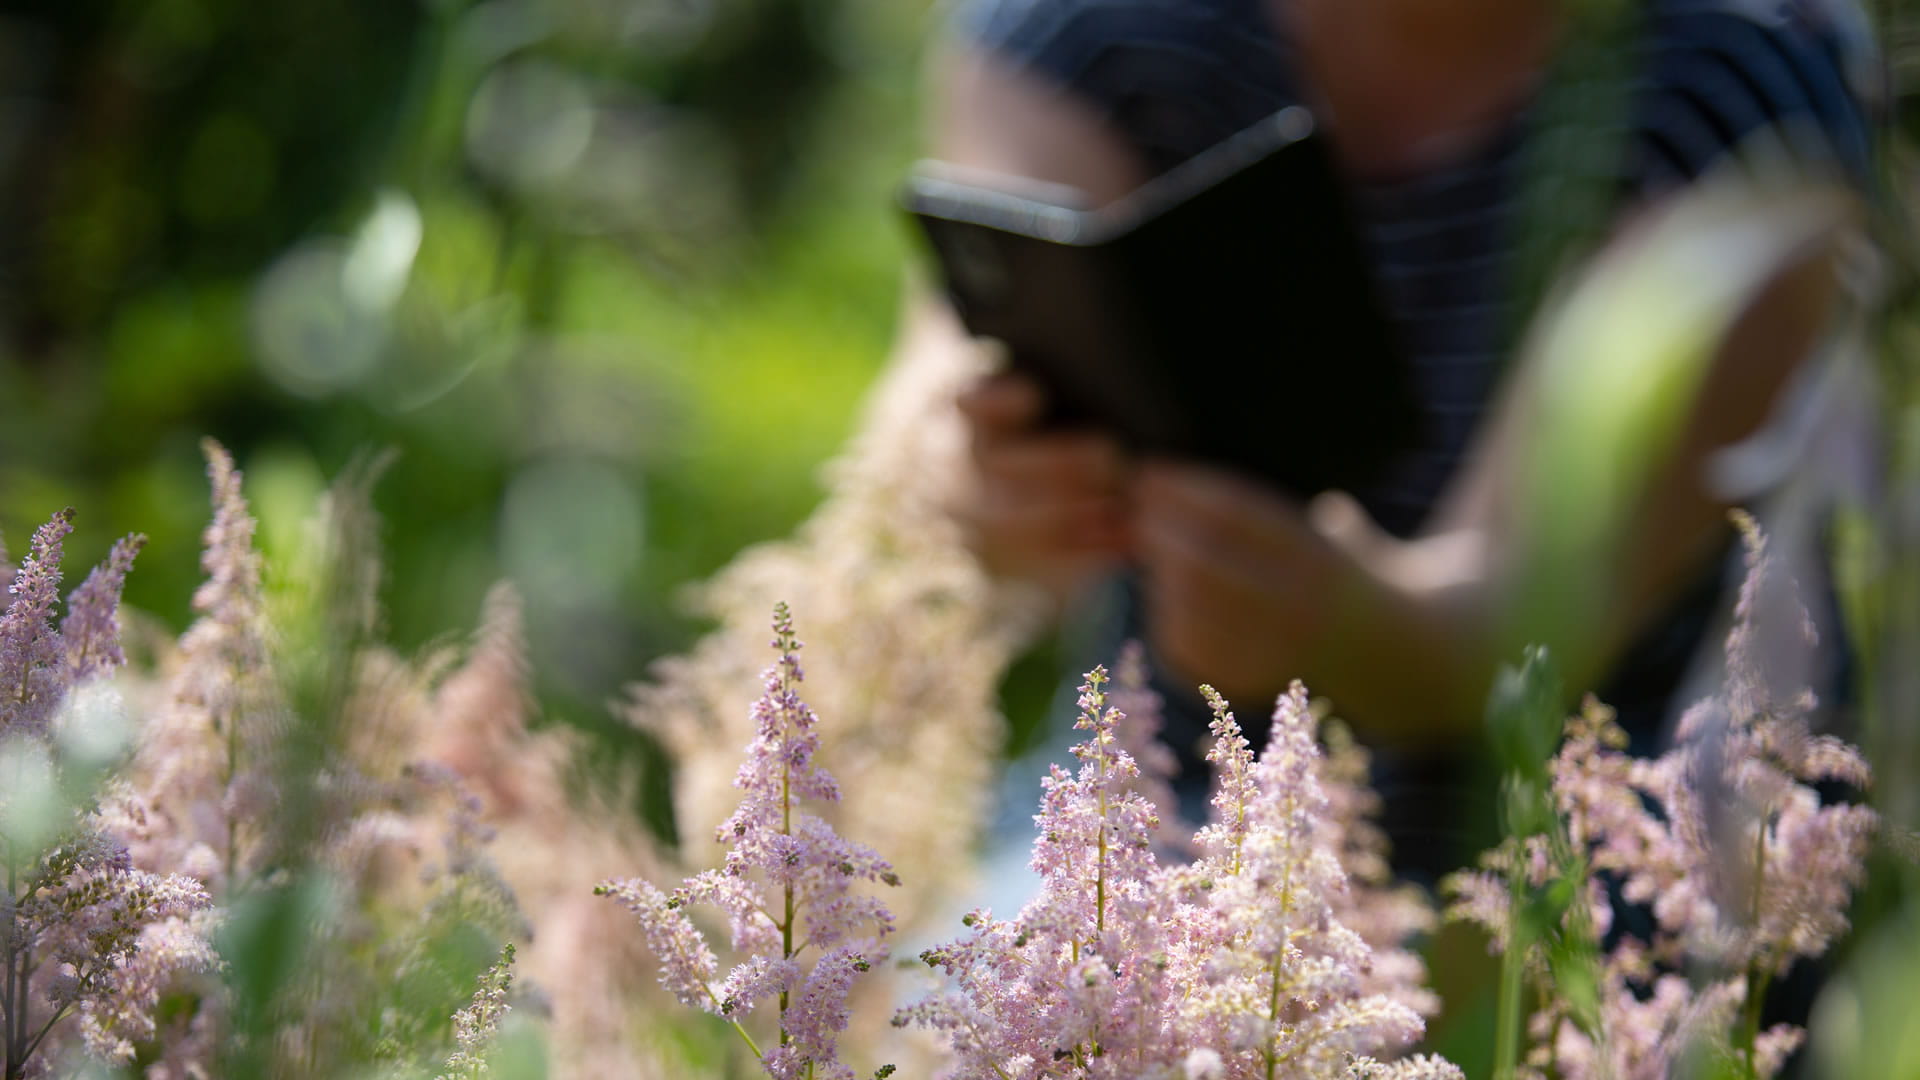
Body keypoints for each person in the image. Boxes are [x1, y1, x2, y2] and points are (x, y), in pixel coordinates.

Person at [898, 0, 1877, 867]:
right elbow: (929, 412)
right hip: (1136, 841)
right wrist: (982, 483)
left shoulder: (1739, 88)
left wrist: (1333, 622)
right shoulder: (1094, 31)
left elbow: (1508, 640)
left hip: (1576, 887)